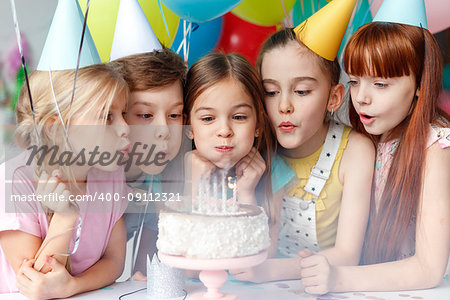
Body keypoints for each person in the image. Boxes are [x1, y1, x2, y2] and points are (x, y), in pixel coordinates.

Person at [229, 1, 375, 284]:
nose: (284, 106)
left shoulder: (355, 152)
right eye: (270, 92)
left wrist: (270, 270)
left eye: (302, 91)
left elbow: (346, 255)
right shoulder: (255, 151)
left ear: (334, 97)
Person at [305, 17, 450, 294]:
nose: (361, 98)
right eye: (356, 81)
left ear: (420, 84)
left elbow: (428, 269)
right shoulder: (367, 140)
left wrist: (338, 278)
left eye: (380, 84)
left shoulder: (435, 147)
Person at [0, 64, 131, 298]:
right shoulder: (14, 180)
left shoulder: (110, 174)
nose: (125, 127)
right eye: (108, 116)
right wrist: (64, 216)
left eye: (124, 113)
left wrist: (72, 286)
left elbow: (114, 260)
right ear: (56, 128)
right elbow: (37, 282)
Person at [110, 48, 187, 280]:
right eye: (145, 115)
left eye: (175, 115)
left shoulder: (156, 181)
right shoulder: (86, 179)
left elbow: (144, 272)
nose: (163, 131)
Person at [184, 53, 275, 221]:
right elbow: (174, 244)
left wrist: (247, 194)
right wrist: (192, 186)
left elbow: (263, 247)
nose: (225, 131)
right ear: (188, 125)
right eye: (208, 118)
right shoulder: (168, 175)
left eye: (239, 117)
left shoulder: (275, 174)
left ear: (258, 124)